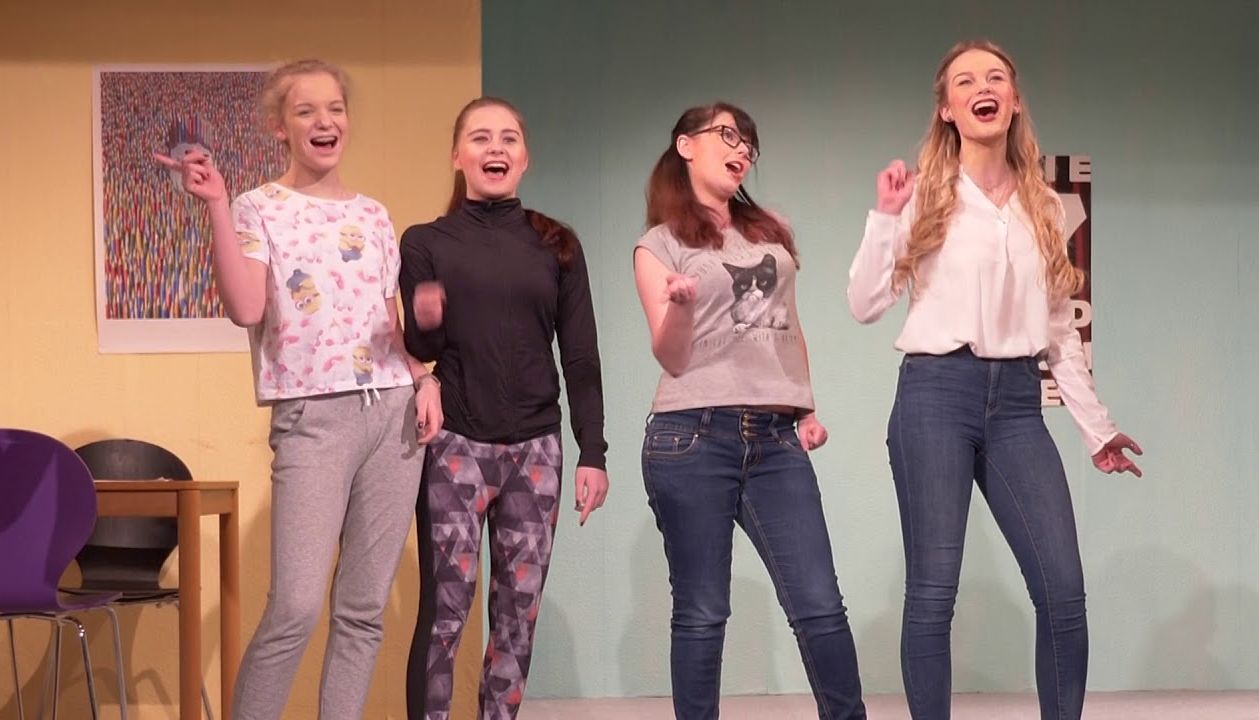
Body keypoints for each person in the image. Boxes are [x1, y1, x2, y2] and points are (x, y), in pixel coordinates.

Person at [846, 39, 1144, 720]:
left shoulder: (1044, 205)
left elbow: (1060, 333)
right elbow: (864, 304)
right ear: (948, 109)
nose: (983, 87)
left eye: (996, 77)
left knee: (1063, 593)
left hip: (1016, 404)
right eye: (965, 81)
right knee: (933, 594)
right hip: (934, 395)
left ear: (1012, 100)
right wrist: (885, 217)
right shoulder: (925, 195)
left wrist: (1097, 429)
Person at [156, 58, 442, 720]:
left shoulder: (374, 216)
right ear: (278, 126)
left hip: (394, 416)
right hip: (312, 417)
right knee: (295, 606)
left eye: (335, 108)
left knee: (363, 609)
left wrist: (425, 375)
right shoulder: (258, 206)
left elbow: (389, 326)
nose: (324, 120)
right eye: (306, 110)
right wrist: (217, 206)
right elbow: (246, 308)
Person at [632, 102, 868, 720]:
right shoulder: (659, 244)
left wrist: (805, 407)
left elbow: (788, 324)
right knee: (702, 612)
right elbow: (671, 356)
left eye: (748, 144)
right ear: (686, 145)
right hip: (691, 435)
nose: (741, 150)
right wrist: (680, 306)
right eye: (727, 136)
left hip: (775, 437)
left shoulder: (770, 231)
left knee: (819, 604)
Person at [399, 96, 610, 720]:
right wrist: (425, 320)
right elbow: (421, 350)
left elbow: (581, 354)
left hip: (536, 451)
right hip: (455, 448)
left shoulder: (557, 244)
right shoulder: (425, 242)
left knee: (518, 616)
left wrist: (593, 452)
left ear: (524, 158)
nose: (496, 147)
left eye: (509, 138)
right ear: (457, 156)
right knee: (445, 614)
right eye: (481, 137)